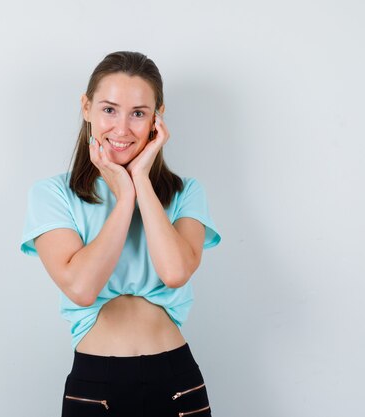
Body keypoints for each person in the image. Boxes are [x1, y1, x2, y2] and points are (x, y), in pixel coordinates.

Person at [20, 51, 221, 417]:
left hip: (176, 378)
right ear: (86, 107)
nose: (123, 128)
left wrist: (140, 180)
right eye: (109, 110)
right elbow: (81, 288)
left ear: (157, 117)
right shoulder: (52, 194)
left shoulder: (186, 192)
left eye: (139, 113)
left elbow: (175, 272)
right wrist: (124, 196)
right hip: (97, 384)